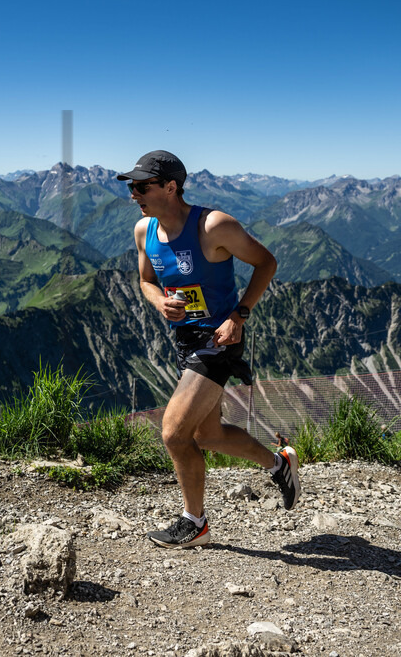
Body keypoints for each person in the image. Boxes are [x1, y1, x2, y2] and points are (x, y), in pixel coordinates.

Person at [120, 149, 299, 549]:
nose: (133, 193)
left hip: (219, 340)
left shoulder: (213, 226)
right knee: (208, 433)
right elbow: (146, 280)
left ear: (170, 186)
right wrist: (157, 301)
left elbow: (266, 263)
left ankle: (194, 522)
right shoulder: (143, 230)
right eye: (131, 186)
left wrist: (239, 315)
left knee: (173, 432)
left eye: (141, 185)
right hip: (185, 339)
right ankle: (279, 463)